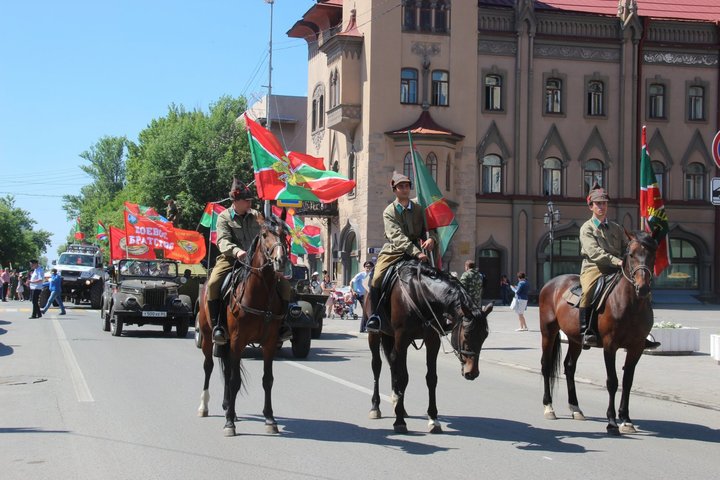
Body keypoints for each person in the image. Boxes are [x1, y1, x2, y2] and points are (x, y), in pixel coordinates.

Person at [206, 178, 291, 354]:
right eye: (247, 200)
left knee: (284, 285)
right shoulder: (224, 217)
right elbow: (222, 241)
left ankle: (282, 324)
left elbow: (269, 232)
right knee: (214, 284)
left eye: (250, 200)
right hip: (231, 259)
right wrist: (237, 251)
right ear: (236, 201)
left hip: (256, 261)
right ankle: (218, 326)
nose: (250, 203)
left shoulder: (256, 216)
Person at [578, 183, 661, 350]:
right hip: (594, 268)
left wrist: (639, 246)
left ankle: (641, 333)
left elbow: (628, 247)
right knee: (588, 291)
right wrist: (617, 261)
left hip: (617, 268)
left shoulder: (616, 227)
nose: (602, 207)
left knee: (641, 288)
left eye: (604, 203)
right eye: (598, 204)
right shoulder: (587, 228)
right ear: (591, 206)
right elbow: (594, 252)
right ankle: (586, 331)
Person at [366, 172, 437, 333]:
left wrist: (432, 238)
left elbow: (430, 229)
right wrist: (416, 252)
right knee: (376, 278)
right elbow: (396, 236)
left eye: (407, 186)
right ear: (394, 190)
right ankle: (375, 316)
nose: (405, 189)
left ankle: (437, 315)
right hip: (394, 251)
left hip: (419, 251)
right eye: (401, 187)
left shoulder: (419, 209)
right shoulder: (389, 212)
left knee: (436, 277)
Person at [352, 261, 373, 331]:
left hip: (370, 296)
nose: (368, 268)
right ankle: (364, 327)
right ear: (364, 267)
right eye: (367, 266)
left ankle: (363, 328)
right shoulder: (360, 275)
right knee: (365, 310)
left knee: (366, 310)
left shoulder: (373, 275)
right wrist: (354, 290)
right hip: (361, 295)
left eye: (369, 267)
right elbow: (353, 282)